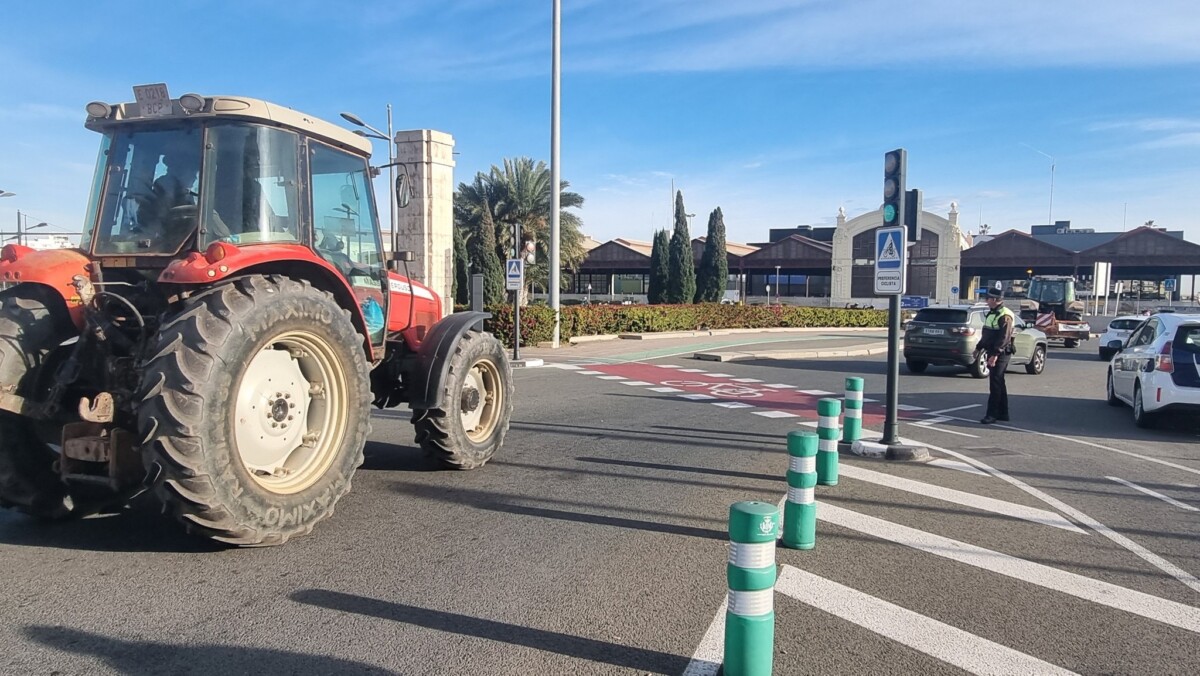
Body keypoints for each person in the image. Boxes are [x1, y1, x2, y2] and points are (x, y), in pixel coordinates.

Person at [977, 281, 1015, 424]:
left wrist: (995, 355)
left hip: (1001, 352)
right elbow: (987, 334)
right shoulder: (993, 313)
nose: (986, 301)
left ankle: (992, 414)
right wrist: (978, 348)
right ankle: (1003, 413)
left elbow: (1004, 338)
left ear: (994, 299)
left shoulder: (1005, 315)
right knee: (999, 382)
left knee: (995, 383)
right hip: (994, 351)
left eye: (987, 298)